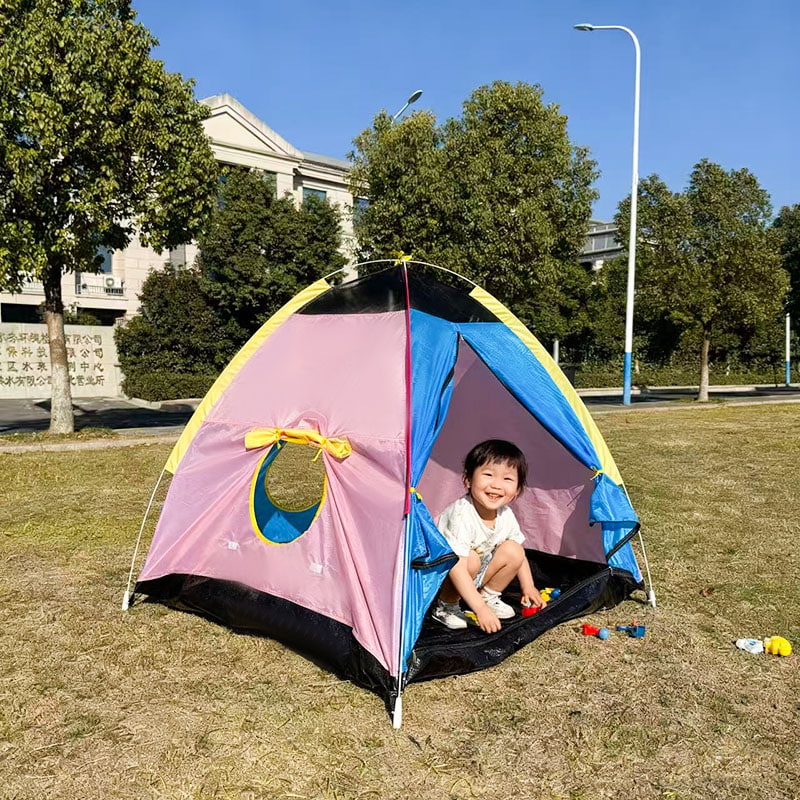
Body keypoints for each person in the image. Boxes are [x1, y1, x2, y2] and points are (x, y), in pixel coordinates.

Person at [431, 439, 544, 633]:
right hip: (442, 575)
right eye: (488, 475)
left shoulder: (505, 514)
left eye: (507, 479)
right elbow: (456, 567)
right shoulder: (461, 515)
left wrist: (528, 586)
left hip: (475, 573)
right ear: (468, 480)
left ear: (517, 490)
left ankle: (487, 596)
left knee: (514, 550)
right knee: (471, 560)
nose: (497, 485)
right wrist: (480, 611)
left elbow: (519, 554)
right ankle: (445, 606)